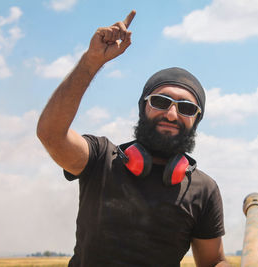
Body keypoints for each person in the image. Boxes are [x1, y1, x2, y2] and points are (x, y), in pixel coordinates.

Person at [37, 10, 230, 267]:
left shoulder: (204, 190)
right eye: (161, 102)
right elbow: (51, 134)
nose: (172, 114)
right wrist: (91, 61)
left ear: (196, 121)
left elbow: (212, 262)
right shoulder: (100, 158)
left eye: (186, 108)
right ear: (143, 108)